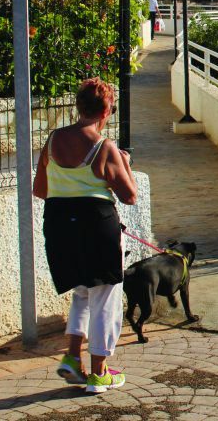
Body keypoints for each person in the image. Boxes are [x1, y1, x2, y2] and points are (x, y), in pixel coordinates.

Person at [34, 78, 137, 394]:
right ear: (107, 110)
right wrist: (125, 163)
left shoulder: (53, 140)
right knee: (104, 297)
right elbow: (130, 195)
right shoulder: (104, 147)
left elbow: (40, 189)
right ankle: (99, 372)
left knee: (81, 291)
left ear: (78, 107)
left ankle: (70, 357)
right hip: (97, 226)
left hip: (60, 226)